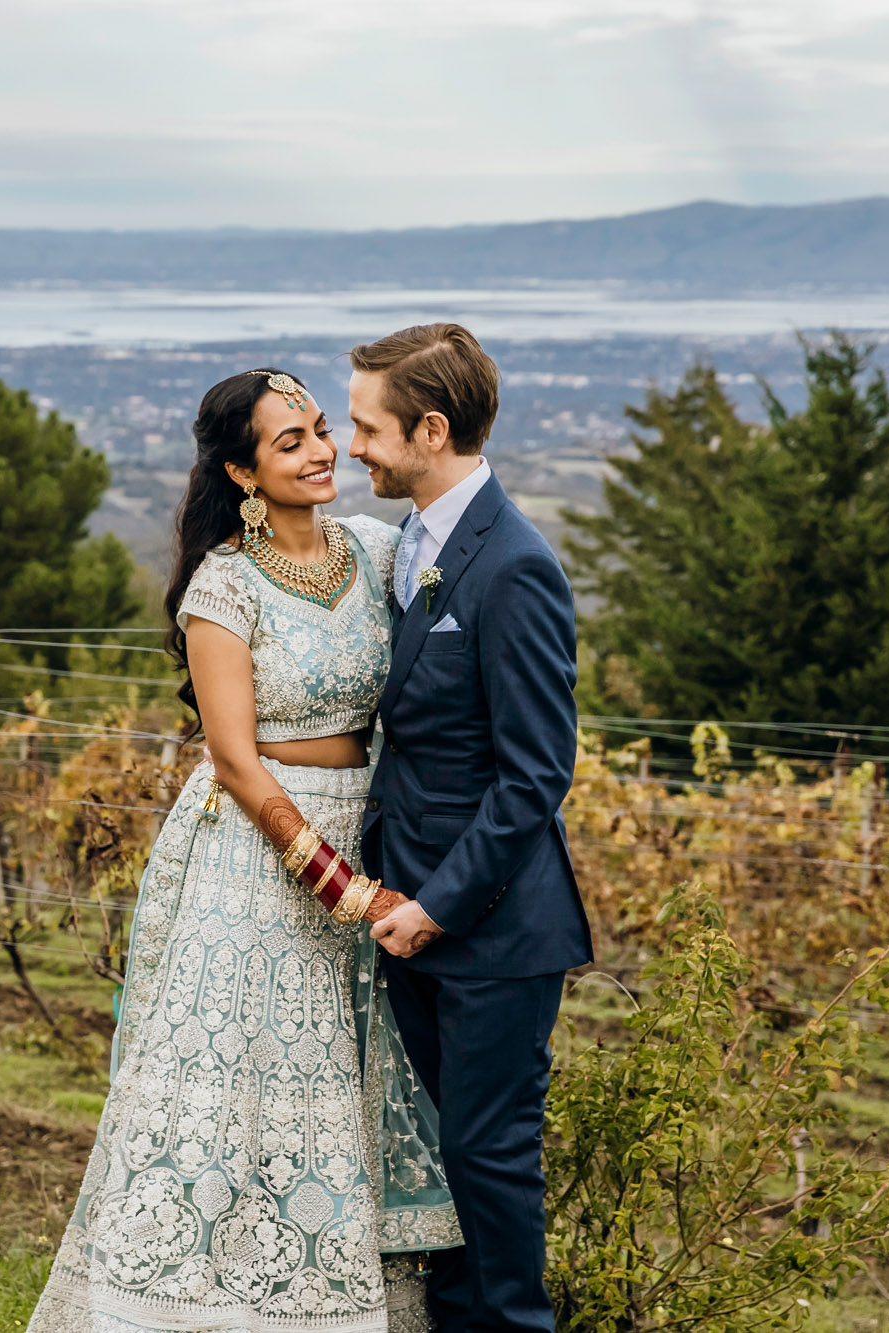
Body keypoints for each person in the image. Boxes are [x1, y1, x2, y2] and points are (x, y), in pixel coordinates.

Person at [26, 368, 461, 1333]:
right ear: (243, 470)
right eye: (289, 442)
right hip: (258, 855)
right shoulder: (225, 583)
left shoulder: (379, 550)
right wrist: (343, 889)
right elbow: (234, 759)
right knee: (244, 1083)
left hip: (371, 822)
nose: (319, 452)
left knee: (356, 1075)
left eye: (319, 429)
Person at [348, 324, 592, 1333]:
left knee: (487, 1161)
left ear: (430, 428)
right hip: (407, 911)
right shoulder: (408, 543)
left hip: (489, 929)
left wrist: (437, 910)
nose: (352, 445)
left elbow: (535, 775)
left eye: (367, 426)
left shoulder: (514, 567)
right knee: (447, 1163)